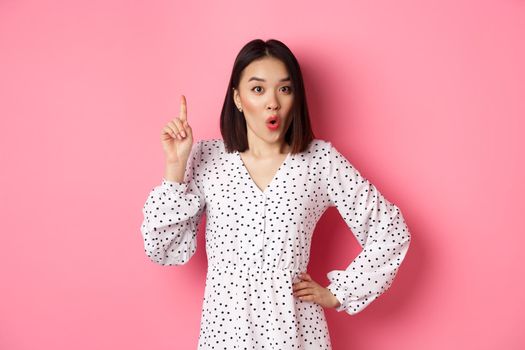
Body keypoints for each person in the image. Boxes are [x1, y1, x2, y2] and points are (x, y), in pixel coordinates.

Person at [140, 38, 411, 349]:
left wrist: (340, 293)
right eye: (258, 89)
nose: (273, 102)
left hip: (296, 334)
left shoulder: (319, 161)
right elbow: (162, 248)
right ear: (238, 98)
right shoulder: (206, 158)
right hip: (225, 334)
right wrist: (175, 167)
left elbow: (390, 231)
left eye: (285, 89)